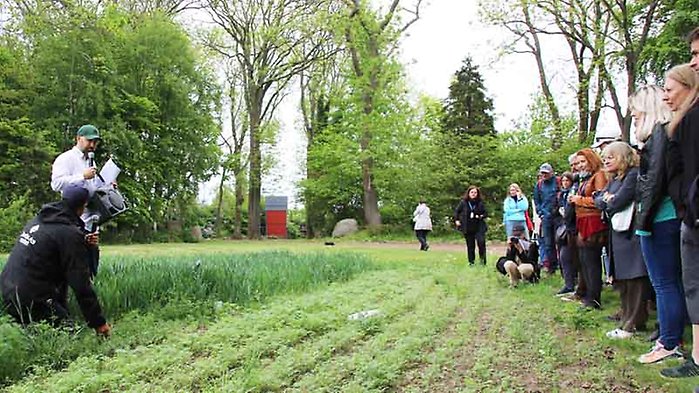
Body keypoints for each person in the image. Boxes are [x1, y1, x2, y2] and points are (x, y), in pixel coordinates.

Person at [0, 185, 111, 336]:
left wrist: (82, 240)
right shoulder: (69, 234)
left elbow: (53, 245)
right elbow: (81, 284)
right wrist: (99, 323)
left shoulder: (40, 219)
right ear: (83, 206)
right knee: (67, 337)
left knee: (33, 335)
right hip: (34, 297)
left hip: (8, 290)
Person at [630, 84, 686, 363]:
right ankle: (674, 337)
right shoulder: (663, 134)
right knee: (671, 283)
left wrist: (643, 221)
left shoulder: (658, 136)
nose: (633, 117)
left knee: (664, 283)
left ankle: (669, 342)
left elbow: (653, 183)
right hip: (665, 218)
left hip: (660, 219)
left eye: (636, 112)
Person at [661, 59, 699, 378]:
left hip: (692, 216)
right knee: (693, 288)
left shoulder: (692, 121)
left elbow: (689, 174)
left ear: (688, 88)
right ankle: (698, 357)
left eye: (669, 89)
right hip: (689, 215)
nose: (665, 96)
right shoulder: (680, 122)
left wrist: (690, 208)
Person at [594, 142, 651, 339]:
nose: (606, 160)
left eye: (611, 156)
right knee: (624, 279)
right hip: (617, 233)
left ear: (624, 157)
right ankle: (627, 318)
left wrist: (609, 200)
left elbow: (618, 201)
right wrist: (607, 199)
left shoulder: (633, 175)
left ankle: (633, 323)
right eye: (605, 157)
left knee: (635, 277)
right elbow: (599, 200)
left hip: (631, 233)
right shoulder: (614, 179)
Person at [51, 124, 103, 277]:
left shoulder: (91, 161)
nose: (92, 145)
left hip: (92, 219)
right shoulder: (66, 159)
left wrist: (107, 184)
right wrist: (82, 176)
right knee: (75, 263)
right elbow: (56, 184)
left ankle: (92, 291)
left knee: (92, 262)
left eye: (95, 142)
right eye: (89, 141)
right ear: (78, 139)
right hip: (73, 219)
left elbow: (92, 187)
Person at [568, 148, 608, 309]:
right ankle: (588, 295)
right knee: (584, 260)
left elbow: (599, 200)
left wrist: (579, 200)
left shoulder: (599, 176)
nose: (579, 166)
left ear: (591, 160)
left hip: (594, 222)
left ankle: (594, 298)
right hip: (582, 221)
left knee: (591, 261)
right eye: (577, 163)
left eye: (583, 162)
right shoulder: (585, 179)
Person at [533, 163, 560, 274]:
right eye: (542, 173)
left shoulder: (558, 182)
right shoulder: (539, 185)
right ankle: (551, 267)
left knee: (561, 241)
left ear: (551, 172)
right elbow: (537, 200)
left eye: (546, 173)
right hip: (546, 217)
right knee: (548, 243)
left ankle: (563, 266)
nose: (544, 175)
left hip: (558, 216)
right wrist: (541, 213)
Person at [556, 172, 577, 296]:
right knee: (564, 256)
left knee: (574, 258)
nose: (565, 183)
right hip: (564, 228)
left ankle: (573, 284)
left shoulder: (573, 192)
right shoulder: (561, 195)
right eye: (563, 181)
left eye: (567, 180)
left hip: (574, 228)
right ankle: (569, 284)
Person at [455, 186, 488, 266]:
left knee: (481, 243)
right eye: (472, 192)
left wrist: (480, 216)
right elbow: (457, 211)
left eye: (475, 192)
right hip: (468, 227)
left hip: (479, 226)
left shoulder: (480, 202)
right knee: (470, 246)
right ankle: (471, 262)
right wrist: (457, 220)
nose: (473, 194)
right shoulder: (464, 202)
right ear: (468, 193)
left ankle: (482, 261)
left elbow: (486, 213)